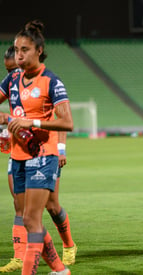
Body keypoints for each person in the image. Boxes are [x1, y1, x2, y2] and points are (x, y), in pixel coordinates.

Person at [0, 20, 73, 274]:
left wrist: (31, 121)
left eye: (25, 50)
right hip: (17, 156)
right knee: (27, 219)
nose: (19, 55)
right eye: (16, 50)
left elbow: (67, 121)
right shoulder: (11, 79)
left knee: (32, 219)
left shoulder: (51, 81)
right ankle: (60, 269)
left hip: (43, 155)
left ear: (39, 50)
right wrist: (4, 120)